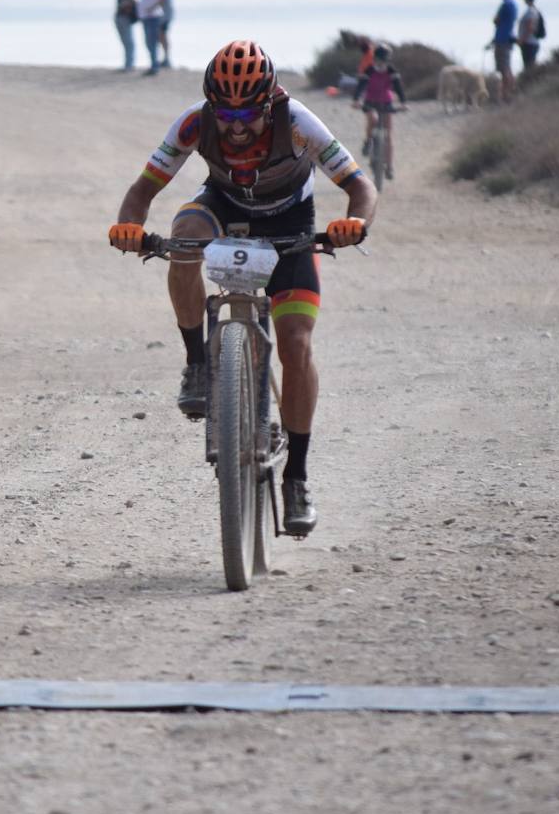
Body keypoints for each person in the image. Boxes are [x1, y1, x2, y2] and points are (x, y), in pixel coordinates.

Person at [107, 40, 377, 535]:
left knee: (296, 346)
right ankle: (196, 365)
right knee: (184, 238)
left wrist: (354, 221)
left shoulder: (297, 122)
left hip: (292, 221)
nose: (234, 123)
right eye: (225, 109)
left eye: (247, 111)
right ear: (211, 103)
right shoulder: (195, 122)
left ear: (269, 100)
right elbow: (143, 190)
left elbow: (361, 186)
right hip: (222, 205)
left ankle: (296, 477)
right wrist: (128, 226)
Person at [351, 43, 407, 181]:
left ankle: (389, 166)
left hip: (386, 101)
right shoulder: (370, 70)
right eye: (378, 59)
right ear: (374, 58)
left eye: (383, 60)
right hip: (370, 101)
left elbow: (398, 87)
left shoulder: (392, 71)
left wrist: (403, 102)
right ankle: (368, 141)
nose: (380, 63)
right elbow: (361, 86)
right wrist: (357, 99)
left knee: (388, 135)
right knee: (372, 119)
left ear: (387, 60)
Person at [488, 0, 517, 102]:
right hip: (508, 39)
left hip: (502, 40)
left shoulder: (506, 4)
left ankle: (505, 96)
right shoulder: (514, 4)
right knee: (507, 68)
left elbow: (496, 20)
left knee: (503, 69)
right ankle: (508, 94)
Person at [137, 0, 166, 76]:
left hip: (153, 16)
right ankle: (153, 64)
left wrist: (154, 7)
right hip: (145, 17)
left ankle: (155, 66)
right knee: (148, 42)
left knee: (152, 42)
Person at [113, 0, 136, 72]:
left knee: (129, 42)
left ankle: (129, 65)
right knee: (125, 42)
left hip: (125, 17)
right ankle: (128, 64)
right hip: (119, 16)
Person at [517, 0, 544, 70]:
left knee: (529, 67)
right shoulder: (533, 10)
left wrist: (522, 40)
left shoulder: (531, 11)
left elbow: (530, 28)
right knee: (529, 66)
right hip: (530, 43)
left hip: (529, 43)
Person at [157, 0, 174, 69]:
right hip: (158, 13)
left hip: (166, 13)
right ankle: (164, 58)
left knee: (163, 35)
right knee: (160, 36)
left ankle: (167, 58)